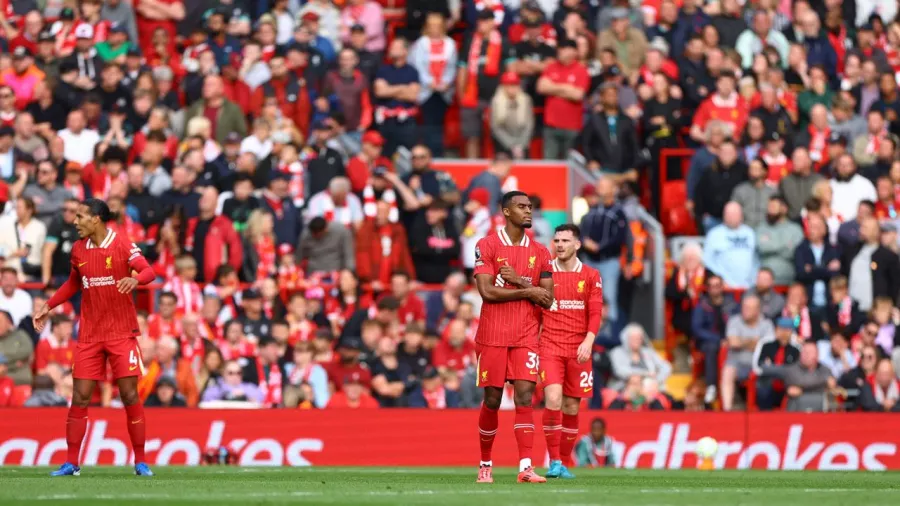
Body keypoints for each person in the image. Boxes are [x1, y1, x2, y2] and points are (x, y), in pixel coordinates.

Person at [33, 198, 156, 477]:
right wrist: (48, 306)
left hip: (121, 333)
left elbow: (149, 270)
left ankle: (140, 461)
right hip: (89, 335)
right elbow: (74, 282)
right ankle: (72, 463)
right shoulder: (78, 249)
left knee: (128, 394)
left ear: (96, 219)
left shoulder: (122, 243)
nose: (75, 222)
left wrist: (136, 279)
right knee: (80, 397)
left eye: (80, 217)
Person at [472, 190, 553, 484]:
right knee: (492, 400)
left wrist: (522, 282)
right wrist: (529, 291)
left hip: (527, 334)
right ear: (506, 212)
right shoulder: (488, 244)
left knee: (525, 397)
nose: (528, 211)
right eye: (521, 207)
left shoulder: (541, 251)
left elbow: (548, 299)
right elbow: (487, 292)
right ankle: (485, 464)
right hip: (493, 333)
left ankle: (526, 467)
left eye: (530, 207)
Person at [537, 224, 602, 479]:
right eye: (557, 240)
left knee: (572, 408)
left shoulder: (591, 275)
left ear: (577, 244)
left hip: (579, 349)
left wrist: (588, 340)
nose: (560, 245)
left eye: (565, 240)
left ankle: (563, 463)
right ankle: (553, 461)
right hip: (550, 345)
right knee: (553, 399)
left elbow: (595, 312)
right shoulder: (544, 273)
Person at [721, 294, 774, 411]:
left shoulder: (766, 324)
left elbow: (767, 347)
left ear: (757, 310)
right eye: (744, 307)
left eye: (749, 308)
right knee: (727, 371)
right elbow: (734, 343)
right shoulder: (734, 320)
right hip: (737, 363)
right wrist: (754, 342)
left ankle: (763, 411)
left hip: (758, 363)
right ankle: (727, 409)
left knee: (769, 370)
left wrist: (743, 342)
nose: (745, 310)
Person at [761, 340, 835, 412]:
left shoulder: (825, 369)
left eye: (809, 352)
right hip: (797, 411)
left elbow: (832, 384)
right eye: (804, 352)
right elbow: (802, 381)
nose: (806, 355)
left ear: (817, 355)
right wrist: (823, 384)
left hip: (821, 411)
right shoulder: (792, 369)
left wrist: (801, 390)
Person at [702, 202, 758, 289]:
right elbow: (707, 261)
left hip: (749, 287)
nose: (731, 217)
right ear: (724, 216)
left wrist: (755, 280)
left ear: (741, 216)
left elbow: (756, 259)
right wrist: (719, 280)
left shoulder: (750, 233)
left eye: (734, 214)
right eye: (728, 214)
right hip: (724, 287)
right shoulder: (714, 234)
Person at [752, 316, 801, 410]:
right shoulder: (766, 344)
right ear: (776, 330)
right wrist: (782, 369)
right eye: (781, 329)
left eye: (787, 330)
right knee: (763, 390)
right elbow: (757, 366)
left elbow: (796, 370)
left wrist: (771, 368)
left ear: (791, 332)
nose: (784, 333)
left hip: (787, 383)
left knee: (795, 391)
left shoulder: (796, 349)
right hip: (767, 382)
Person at [608, 323, 673, 391]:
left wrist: (656, 380)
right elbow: (619, 371)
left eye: (639, 338)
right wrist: (645, 374)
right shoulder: (617, 352)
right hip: (623, 388)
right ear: (626, 338)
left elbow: (666, 367)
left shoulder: (648, 352)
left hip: (650, 387)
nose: (637, 341)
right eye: (633, 338)